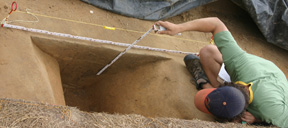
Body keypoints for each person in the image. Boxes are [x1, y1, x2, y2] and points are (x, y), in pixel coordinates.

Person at [155, 17, 288, 127]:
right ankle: (207, 86)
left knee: (242, 123)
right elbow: (216, 24)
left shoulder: (273, 112)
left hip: (277, 94)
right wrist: (179, 28)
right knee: (207, 52)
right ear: (227, 85)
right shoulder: (238, 63)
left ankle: (204, 84)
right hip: (258, 70)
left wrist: (257, 119)